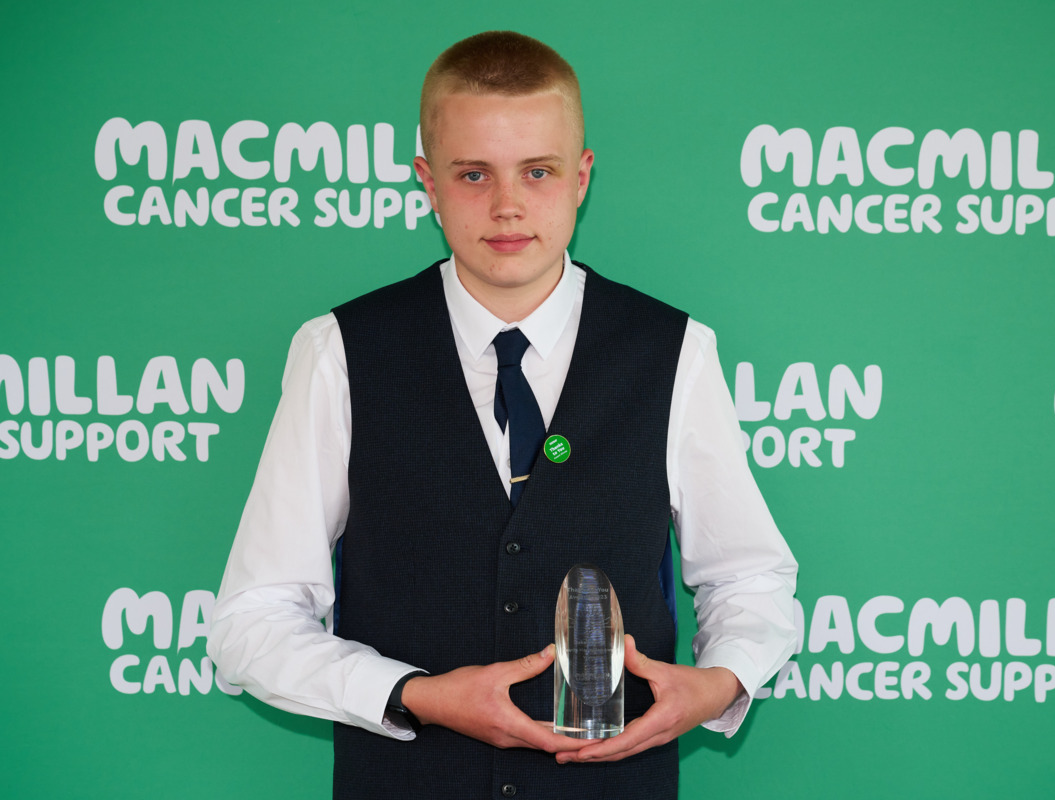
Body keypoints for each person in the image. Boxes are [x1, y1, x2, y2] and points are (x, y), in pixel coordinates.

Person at [209, 30, 797, 799]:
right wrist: (412, 694)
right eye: (473, 173)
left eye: (539, 171)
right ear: (426, 180)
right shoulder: (340, 351)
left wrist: (718, 683)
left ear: (582, 177)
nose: (508, 204)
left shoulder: (673, 349)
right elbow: (251, 622)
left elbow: (749, 576)